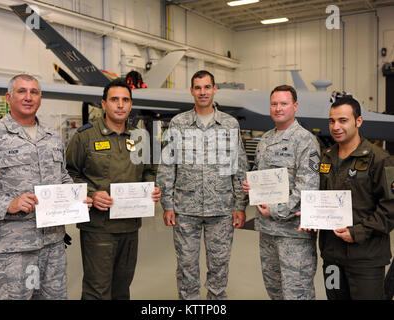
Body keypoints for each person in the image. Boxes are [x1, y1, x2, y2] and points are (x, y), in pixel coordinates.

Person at [0, 74, 91, 300]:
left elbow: (63, 176)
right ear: (8, 97)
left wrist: (76, 197)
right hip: (11, 252)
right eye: (22, 91)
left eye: (34, 92)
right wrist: (8, 204)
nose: (28, 97)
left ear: (40, 98)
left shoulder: (52, 138)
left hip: (52, 248)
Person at [156, 70, 248, 300]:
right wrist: (167, 204)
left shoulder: (229, 124)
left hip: (222, 209)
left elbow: (239, 167)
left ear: (215, 89)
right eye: (198, 87)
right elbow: (168, 166)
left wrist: (240, 206)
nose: (203, 92)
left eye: (207, 87)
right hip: (185, 210)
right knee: (186, 268)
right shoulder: (178, 124)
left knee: (219, 267)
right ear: (191, 91)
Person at [66, 78, 161, 300]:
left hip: (130, 227)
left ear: (130, 105)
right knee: (97, 290)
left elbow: (148, 172)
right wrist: (91, 194)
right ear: (103, 104)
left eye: (125, 100)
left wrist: (152, 189)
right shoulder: (85, 137)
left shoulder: (140, 138)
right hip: (99, 228)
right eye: (114, 100)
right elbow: (68, 175)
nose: (120, 105)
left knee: (121, 289)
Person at [242, 85, 320, 300]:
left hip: (293, 234)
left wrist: (275, 210)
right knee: (274, 290)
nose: (278, 108)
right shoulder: (265, 139)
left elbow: (307, 188)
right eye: (274, 104)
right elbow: (259, 174)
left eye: (284, 103)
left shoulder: (305, 141)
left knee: (297, 293)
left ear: (295, 106)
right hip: (267, 232)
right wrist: (252, 187)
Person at [317, 96, 394, 300]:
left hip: (366, 258)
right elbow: (319, 198)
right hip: (332, 256)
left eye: (343, 120)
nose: (336, 126)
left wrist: (358, 232)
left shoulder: (380, 159)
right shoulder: (326, 157)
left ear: (358, 121)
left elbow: (391, 208)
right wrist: (309, 215)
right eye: (332, 121)